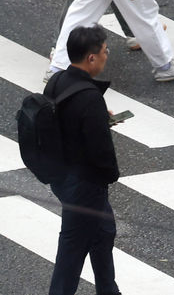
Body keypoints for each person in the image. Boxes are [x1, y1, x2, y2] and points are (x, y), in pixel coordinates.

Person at [46, 25, 121, 295]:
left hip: (61, 176)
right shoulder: (90, 98)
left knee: (104, 231)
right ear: (91, 58)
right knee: (72, 250)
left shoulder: (57, 81)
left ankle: (108, 290)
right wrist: (112, 175)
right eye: (104, 51)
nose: (106, 56)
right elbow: (101, 153)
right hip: (85, 185)